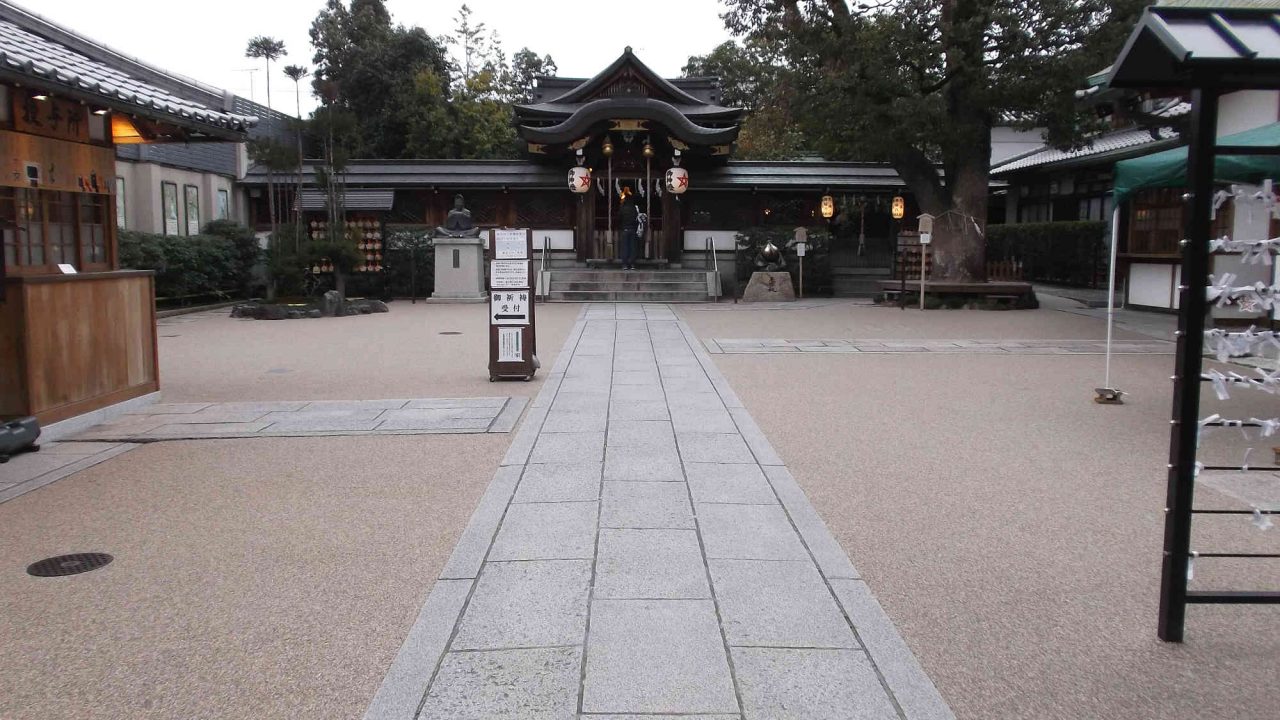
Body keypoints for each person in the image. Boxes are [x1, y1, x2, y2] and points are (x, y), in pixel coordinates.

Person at [619, 190, 639, 270]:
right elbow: (637, 219)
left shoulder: (622, 208)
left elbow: (619, 218)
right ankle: (632, 264)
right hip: (633, 229)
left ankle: (625, 264)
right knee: (632, 247)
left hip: (625, 229)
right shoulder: (634, 208)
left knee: (625, 247)